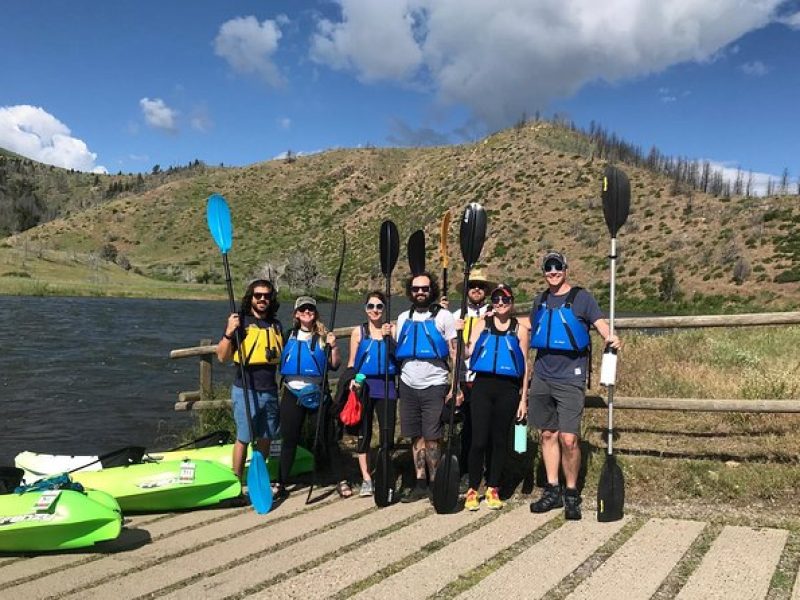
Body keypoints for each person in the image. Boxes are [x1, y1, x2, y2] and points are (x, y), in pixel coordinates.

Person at [528, 251, 621, 520]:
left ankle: (571, 493)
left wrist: (611, 338)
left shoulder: (582, 298)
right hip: (543, 375)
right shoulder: (540, 300)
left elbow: (600, 324)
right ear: (544, 271)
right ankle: (552, 489)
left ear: (566, 269)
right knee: (547, 434)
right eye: (548, 267)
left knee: (569, 439)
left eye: (558, 267)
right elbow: (530, 327)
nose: (553, 271)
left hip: (571, 377)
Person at [461, 284, 530, 510]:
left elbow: (525, 365)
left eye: (505, 300)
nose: (500, 303)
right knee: (479, 440)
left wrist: (523, 399)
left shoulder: (519, 329)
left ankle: (493, 487)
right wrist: (459, 336)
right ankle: (473, 488)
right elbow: (467, 352)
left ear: (511, 303)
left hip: (508, 390)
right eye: (497, 299)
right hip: (482, 386)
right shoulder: (483, 324)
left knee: (499, 441)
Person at [395, 271, 458, 503]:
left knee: (433, 437)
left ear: (432, 290)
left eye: (424, 288)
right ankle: (420, 483)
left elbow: (453, 351)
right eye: (415, 289)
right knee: (416, 436)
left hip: (435, 383)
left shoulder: (444, 317)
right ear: (410, 292)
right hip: (408, 383)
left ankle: (435, 483)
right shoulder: (403, 318)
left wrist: (456, 386)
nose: (420, 292)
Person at [216, 279, 283, 487]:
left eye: (266, 296)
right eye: (258, 295)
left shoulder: (276, 325)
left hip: (269, 390)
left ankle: (258, 475)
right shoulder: (240, 322)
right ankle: (236, 481)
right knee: (244, 437)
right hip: (245, 389)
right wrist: (229, 332)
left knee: (266, 437)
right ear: (251, 298)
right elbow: (222, 356)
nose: (262, 299)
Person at [278, 296, 343, 497]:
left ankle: (340, 479)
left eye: (311, 309)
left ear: (315, 314)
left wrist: (334, 346)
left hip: (317, 394)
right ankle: (281, 482)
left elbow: (334, 365)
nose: (307, 312)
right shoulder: (288, 335)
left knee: (327, 438)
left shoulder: (324, 337)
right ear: (296, 314)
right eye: (303, 309)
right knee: (289, 440)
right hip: (292, 392)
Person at [346, 291, 397, 497]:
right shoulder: (359, 332)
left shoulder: (392, 330)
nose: (375, 310)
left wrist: (389, 338)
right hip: (364, 386)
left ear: (384, 309)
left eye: (379, 306)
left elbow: (398, 355)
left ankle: (386, 472)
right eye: (371, 306)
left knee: (387, 433)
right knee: (364, 433)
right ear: (365, 309)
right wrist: (352, 380)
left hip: (386, 385)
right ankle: (366, 478)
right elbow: (351, 362)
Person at [450, 268, 495, 488]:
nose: (476, 289)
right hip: (462, 376)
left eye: (480, 286)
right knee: (465, 427)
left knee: (484, 427)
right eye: (472, 286)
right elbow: (449, 347)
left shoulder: (494, 312)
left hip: (484, 377)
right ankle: (466, 470)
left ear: (486, 290)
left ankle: (488, 471)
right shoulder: (456, 315)